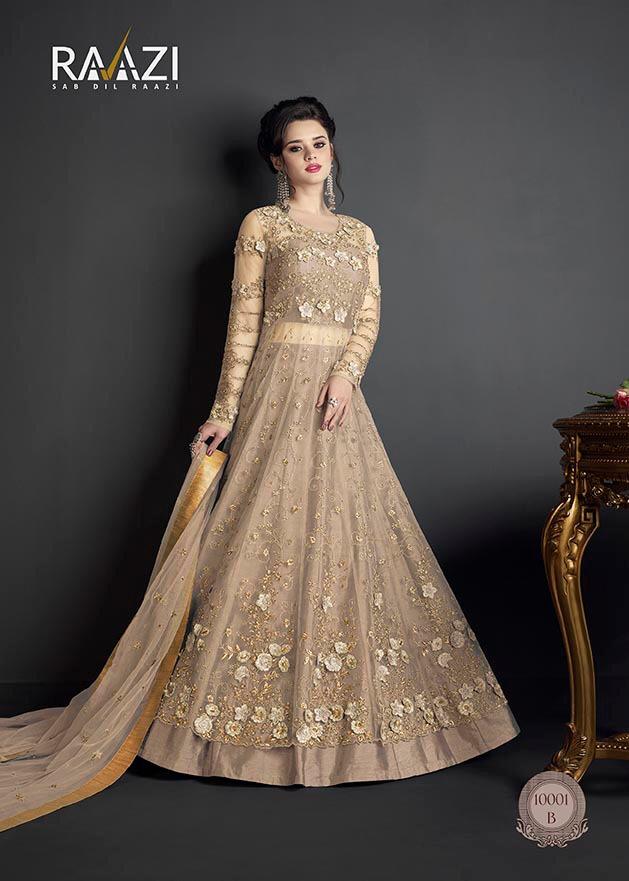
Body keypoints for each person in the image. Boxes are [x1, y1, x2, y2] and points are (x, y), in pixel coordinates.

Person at [0, 96, 519, 832]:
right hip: (276, 390)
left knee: (346, 542)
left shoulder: (360, 234)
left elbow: (367, 317)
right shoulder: (262, 226)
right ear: (277, 159)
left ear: (332, 149)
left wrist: (347, 375)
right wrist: (224, 411)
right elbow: (243, 324)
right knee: (261, 539)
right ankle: (223, 731)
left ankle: (346, 727)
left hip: (335, 399)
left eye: (320, 143)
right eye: (296, 146)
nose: (311, 156)